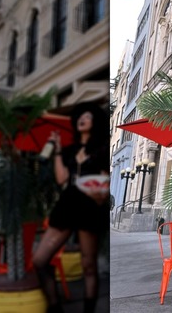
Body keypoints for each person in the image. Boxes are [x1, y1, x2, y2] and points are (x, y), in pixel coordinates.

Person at [33, 102, 109, 313]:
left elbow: (103, 182)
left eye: (87, 116)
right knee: (39, 260)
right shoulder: (70, 150)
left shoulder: (102, 148)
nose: (81, 119)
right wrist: (57, 150)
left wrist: (100, 195)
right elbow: (62, 178)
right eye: (79, 117)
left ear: (96, 121)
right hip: (67, 204)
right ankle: (54, 305)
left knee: (89, 265)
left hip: (90, 206)